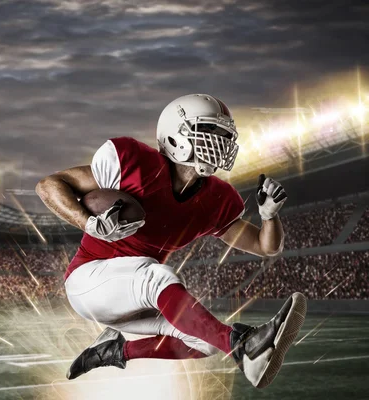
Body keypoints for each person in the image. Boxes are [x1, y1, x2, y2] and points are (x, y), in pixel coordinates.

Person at [36, 94, 307, 389]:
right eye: (209, 131)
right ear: (175, 136)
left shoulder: (215, 199)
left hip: (134, 296)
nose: (220, 142)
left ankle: (113, 351)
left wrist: (269, 216)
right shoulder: (135, 163)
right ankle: (242, 346)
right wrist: (88, 223)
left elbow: (266, 247)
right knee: (155, 276)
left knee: (203, 342)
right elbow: (49, 185)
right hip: (89, 281)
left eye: (225, 136)